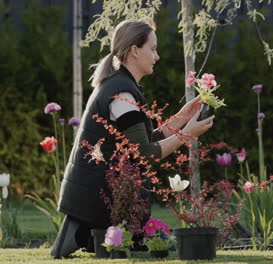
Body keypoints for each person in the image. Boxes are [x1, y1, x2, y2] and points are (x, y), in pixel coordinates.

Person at [51, 19, 214, 259]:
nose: (157, 56)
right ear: (135, 51)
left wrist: (182, 117)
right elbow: (145, 153)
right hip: (95, 199)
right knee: (155, 248)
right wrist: (188, 134)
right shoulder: (122, 93)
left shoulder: (120, 85)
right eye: (153, 48)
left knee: (155, 247)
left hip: (98, 194)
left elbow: (144, 139)